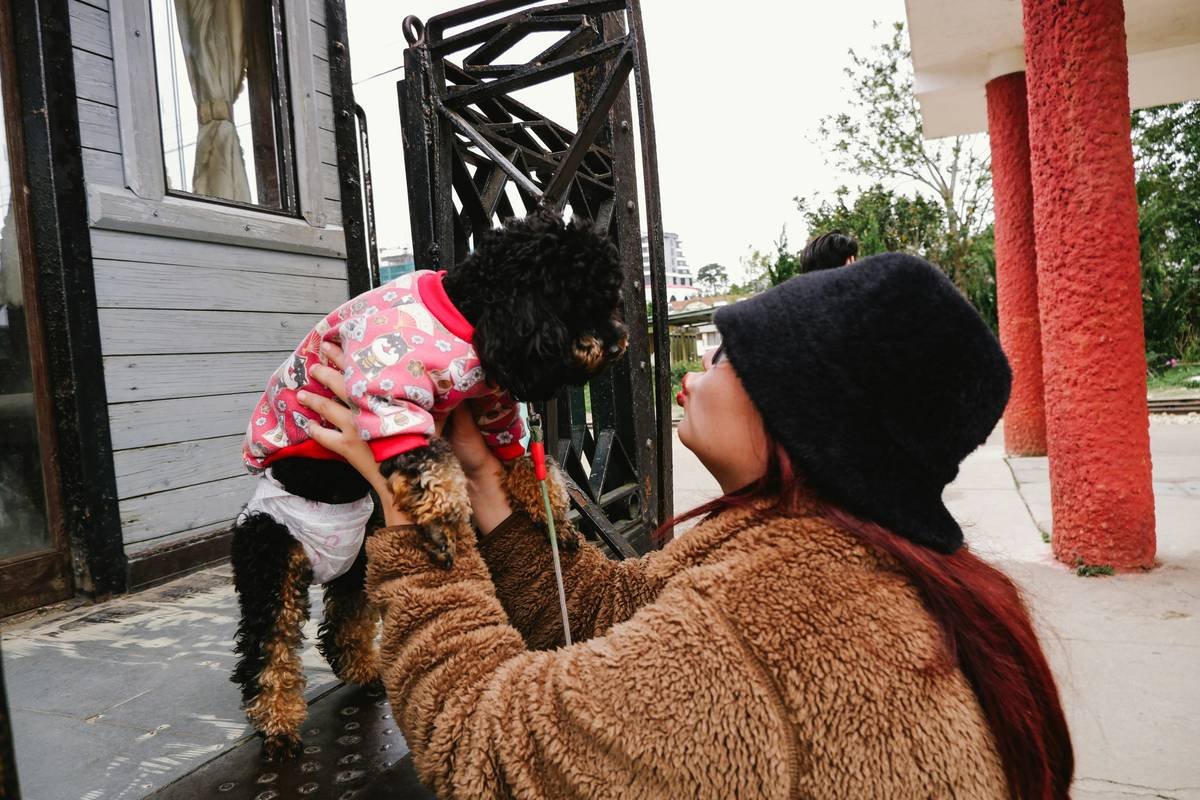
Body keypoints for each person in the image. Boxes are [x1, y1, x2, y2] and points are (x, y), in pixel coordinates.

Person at [295, 252, 1073, 799]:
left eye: (729, 356)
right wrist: (481, 478)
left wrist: (413, 509)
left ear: (805, 417)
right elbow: (602, 614)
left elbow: (486, 748)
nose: (695, 373)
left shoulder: (766, 627)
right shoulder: (801, 543)